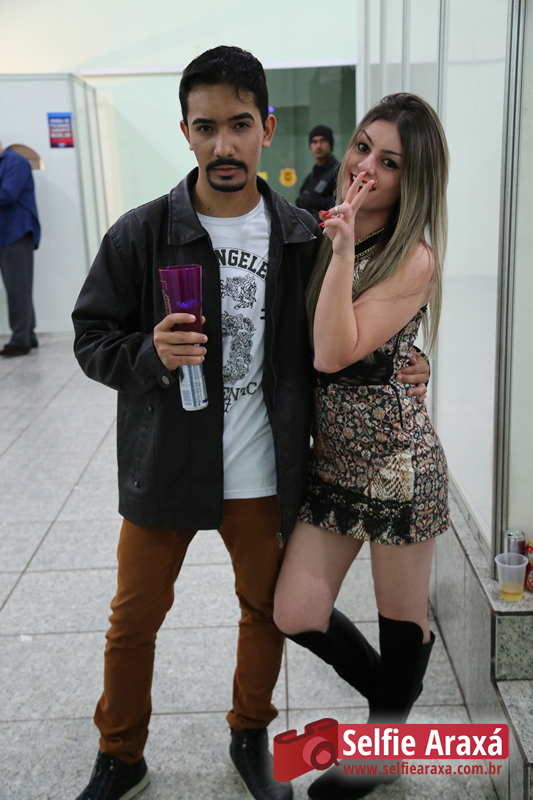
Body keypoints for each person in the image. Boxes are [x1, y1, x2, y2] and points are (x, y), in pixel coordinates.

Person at [72, 48, 431, 800]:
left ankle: (250, 735)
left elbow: (345, 327)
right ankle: (120, 754)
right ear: (185, 131)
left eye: (239, 125)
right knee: (132, 621)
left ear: (266, 128)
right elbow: (91, 338)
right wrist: (148, 353)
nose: (223, 145)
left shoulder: (303, 236)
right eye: (205, 127)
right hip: (166, 467)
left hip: (266, 469)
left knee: (264, 614)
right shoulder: (141, 233)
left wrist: (403, 361)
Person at [274, 93, 449, 800]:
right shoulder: (325, 230)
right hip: (334, 459)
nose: (366, 167)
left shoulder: (411, 256)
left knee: (401, 618)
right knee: (295, 612)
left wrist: (344, 248)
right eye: (363, 147)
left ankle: (380, 748)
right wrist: (339, 242)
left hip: (396, 463)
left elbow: (332, 351)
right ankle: (394, 718)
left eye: (390, 162)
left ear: (414, 180)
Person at [0, 141, 40, 356]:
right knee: (18, 288)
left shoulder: (14, 161)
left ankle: (19, 340)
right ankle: (28, 336)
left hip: (15, 233)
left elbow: (7, 193)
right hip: (6, 234)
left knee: (18, 289)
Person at [295, 125, 339, 222]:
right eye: (314, 142)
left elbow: (339, 203)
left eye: (322, 141)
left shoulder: (337, 171)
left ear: (330, 144)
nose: (318, 146)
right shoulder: (313, 174)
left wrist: (315, 201)